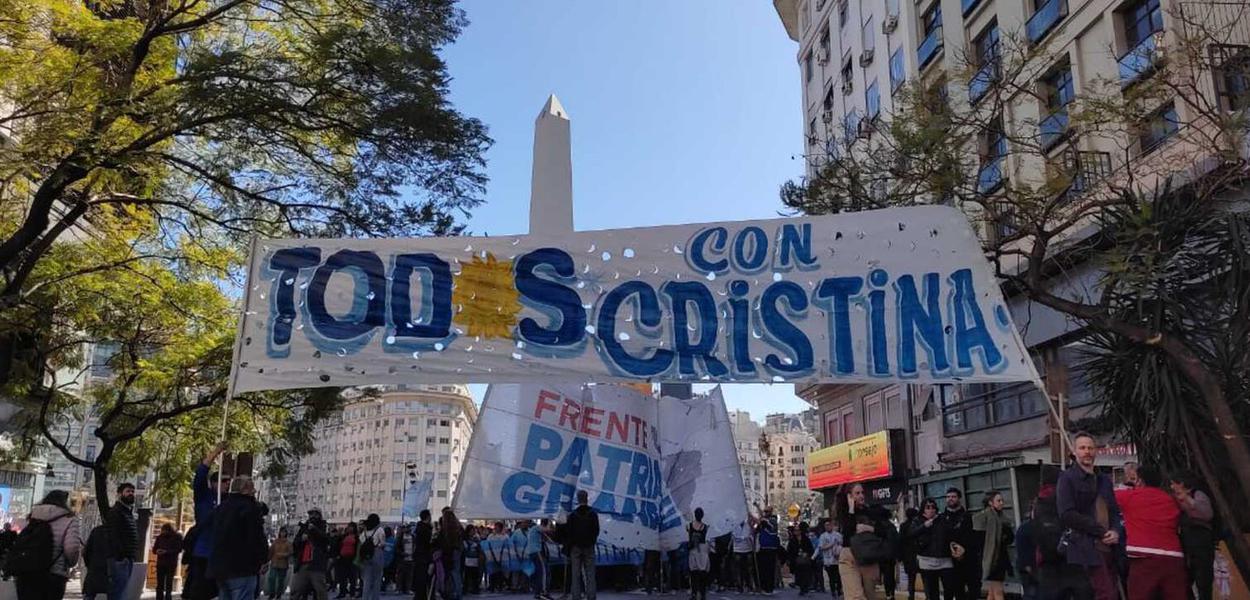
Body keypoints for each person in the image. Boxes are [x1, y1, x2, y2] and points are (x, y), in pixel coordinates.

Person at [1057, 432, 1121, 600]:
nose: (1087, 452)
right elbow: (1067, 514)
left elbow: (1113, 510)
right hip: (1085, 547)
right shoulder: (1067, 478)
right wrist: (1100, 532)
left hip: (1109, 547)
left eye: (1090, 448)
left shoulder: (1104, 480)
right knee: (1104, 593)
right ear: (1075, 451)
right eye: (1082, 448)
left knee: (1112, 591)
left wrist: (1115, 530)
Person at [1114, 465, 1187, 600]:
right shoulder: (1170, 500)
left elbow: (1105, 495)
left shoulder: (1130, 496)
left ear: (1140, 481)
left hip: (1143, 558)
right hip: (1174, 558)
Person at [11, 490, 82, 600]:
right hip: (54, 574)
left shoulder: (32, 516)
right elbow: (71, 548)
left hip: (27, 572)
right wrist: (70, 563)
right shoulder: (70, 520)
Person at [210, 476, 269, 600]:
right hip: (243, 567)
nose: (254, 492)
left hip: (221, 567)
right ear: (245, 490)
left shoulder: (222, 508)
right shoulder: (250, 509)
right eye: (252, 488)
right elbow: (256, 537)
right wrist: (263, 559)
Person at [836, 483, 890, 600]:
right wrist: (851, 509)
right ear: (849, 496)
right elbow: (848, 532)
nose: (861, 496)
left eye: (862, 493)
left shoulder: (870, 511)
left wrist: (869, 528)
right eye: (857, 493)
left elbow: (884, 532)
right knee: (855, 596)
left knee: (871, 595)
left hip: (867, 556)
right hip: (849, 557)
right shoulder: (844, 513)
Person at [192, 444, 229, 600]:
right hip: (203, 553)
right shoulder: (204, 496)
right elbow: (201, 474)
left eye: (229, 481)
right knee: (201, 591)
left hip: (221, 554)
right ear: (214, 483)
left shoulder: (229, 502)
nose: (227, 484)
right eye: (224, 480)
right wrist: (214, 454)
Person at [1170, 471, 1214, 600]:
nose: (1172, 486)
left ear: (1181, 483)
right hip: (1185, 540)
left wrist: (1187, 499)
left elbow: (1207, 514)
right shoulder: (1173, 498)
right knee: (1184, 579)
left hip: (1201, 541)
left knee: (1203, 579)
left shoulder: (1198, 494)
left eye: (1173, 483)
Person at [905, 498, 957, 600]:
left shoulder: (942, 519)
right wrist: (924, 526)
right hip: (927, 559)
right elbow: (911, 534)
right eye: (928, 507)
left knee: (949, 588)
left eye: (933, 507)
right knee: (932, 591)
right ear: (923, 509)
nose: (931, 510)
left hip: (944, 558)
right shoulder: (918, 520)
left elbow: (950, 533)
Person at [973, 492, 1014, 600]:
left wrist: (1004, 536)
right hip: (991, 558)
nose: (1002, 503)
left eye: (1002, 500)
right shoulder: (983, 518)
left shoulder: (1003, 518)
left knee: (992, 592)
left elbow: (1010, 539)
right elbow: (979, 541)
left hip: (1000, 558)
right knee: (998, 591)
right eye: (998, 501)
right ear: (991, 503)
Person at [939, 488, 978, 600]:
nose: (950, 499)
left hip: (969, 560)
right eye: (948, 497)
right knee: (956, 591)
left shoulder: (967, 517)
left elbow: (973, 537)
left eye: (953, 496)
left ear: (959, 498)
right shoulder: (942, 518)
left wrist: (963, 550)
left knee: (973, 591)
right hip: (950, 562)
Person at [106, 482, 139, 600]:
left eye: (132, 491)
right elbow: (113, 536)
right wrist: (121, 556)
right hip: (120, 560)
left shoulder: (127, 512)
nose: (131, 494)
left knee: (122, 591)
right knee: (118, 593)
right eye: (128, 491)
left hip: (127, 558)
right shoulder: (117, 512)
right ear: (120, 494)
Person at [290, 509, 331, 600]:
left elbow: (326, 540)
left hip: (316, 564)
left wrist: (314, 529)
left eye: (315, 514)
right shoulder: (304, 527)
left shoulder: (323, 526)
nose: (312, 516)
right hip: (303, 564)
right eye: (310, 514)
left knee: (320, 591)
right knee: (296, 590)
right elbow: (295, 543)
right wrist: (301, 539)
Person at [566, 490, 599, 600]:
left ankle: (576, 596)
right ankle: (591, 596)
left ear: (578, 499)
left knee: (575, 574)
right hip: (589, 547)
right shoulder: (593, 513)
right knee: (590, 573)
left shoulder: (573, 515)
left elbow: (569, 532)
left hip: (575, 547)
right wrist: (591, 541)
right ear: (587, 498)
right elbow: (596, 530)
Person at [358, 514, 387, 600]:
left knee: (367, 579)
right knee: (377, 579)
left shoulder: (365, 531)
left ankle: (365, 597)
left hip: (367, 555)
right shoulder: (380, 530)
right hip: (377, 553)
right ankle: (375, 598)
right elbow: (383, 543)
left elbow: (361, 539)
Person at [154, 524, 185, 600]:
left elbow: (178, 549)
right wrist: (157, 551)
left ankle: (168, 597)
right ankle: (159, 598)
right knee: (160, 583)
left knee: (168, 582)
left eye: (164, 530)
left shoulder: (177, 537)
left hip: (170, 563)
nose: (163, 531)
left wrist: (166, 552)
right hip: (161, 563)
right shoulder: (160, 537)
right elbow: (154, 549)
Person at [439, 509, 464, 600]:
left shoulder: (447, 529)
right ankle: (458, 592)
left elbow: (446, 542)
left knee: (452, 572)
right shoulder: (458, 526)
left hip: (450, 552)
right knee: (456, 572)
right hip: (458, 550)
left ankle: (454, 592)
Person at [524, 520, 550, 600]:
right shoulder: (536, 528)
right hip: (536, 551)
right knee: (543, 571)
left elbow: (546, 538)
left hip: (531, 552)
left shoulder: (532, 531)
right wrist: (551, 523)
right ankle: (543, 592)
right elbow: (547, 530)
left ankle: (537, 592)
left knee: (538, 572)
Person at [688, 508, 711, 600]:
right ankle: (695, 593)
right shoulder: (690, 526)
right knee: (694, 573)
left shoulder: (705, 527)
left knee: (701, 573)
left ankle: (701, 592)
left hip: (701, 550)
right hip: (695, 550)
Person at [817, 519, 843, 600]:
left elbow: (842, 544)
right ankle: (833, 591)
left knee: (838, 576)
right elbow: (821, 547)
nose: (827, 527)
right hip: (828, 560)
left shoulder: (838, 535)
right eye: (826, 525)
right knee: (831, 577)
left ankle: (839, 590)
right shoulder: (823, 536)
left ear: (832, 525)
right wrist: (830, 545)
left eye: (829, 525)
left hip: (837, 559)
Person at [757, 509, 780, 594]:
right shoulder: (763, 523)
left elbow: (768, 526)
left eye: (767, 512)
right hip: (763, 548)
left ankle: (769, 588)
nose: (765, 513)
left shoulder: (772, 521)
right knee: (762, 569)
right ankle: (763, 586)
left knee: (769, 569)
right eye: (765, 512)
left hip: (771, 548)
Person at [266, 527, 294, 600]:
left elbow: (291, 552)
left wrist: (284, 555)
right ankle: (271, 594)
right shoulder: (276, 541)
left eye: (284, 532)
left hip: (283, 564)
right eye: (282, 532)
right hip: (274, 563)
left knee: (281, 580)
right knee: (271, 578)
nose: (283, 533)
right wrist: (266, 561)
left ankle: (279, 594)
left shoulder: (288, 543)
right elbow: (271, 551)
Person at [899, 509, 920, 600]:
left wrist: (900, 557)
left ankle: (911, 595)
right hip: (919, 554)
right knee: (925, 576)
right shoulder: (918, 525)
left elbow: (900, 541)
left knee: (911, 578)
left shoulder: (903, 526)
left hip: (907, 556)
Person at [789, 522, 816, 596]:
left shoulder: (806, 539)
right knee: (799, 575)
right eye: (795, 530)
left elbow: (811, 549)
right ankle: (801, 588)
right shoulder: (792, 540)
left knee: (806, 575)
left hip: (805, 561)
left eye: (797, 530)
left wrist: (806, 553)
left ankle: (805, 588)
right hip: (797, 561)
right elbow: (790, 550)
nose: (796, 532)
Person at [412, 510, 433, 600]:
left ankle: (419, 595)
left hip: (418, 556)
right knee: (424, 577)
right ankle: (423, 596)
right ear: (428, 517)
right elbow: (428, 543)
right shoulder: (426, 529)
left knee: (419, 577)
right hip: (424, 556)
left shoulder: (418, 528)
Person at [731, 517, 757, 593]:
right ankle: (740, 586)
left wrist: (748, 537)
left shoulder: (748, 525)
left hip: (747, 549)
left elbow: (751, 535)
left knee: (749, 569)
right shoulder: (735, 526)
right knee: (738, 569)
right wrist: (744, 537)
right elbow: (734, 537)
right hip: (738, 550)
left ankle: (749, 586)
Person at [335, 523, 359, 599]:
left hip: (352, 559)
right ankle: (342, 592)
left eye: (351, 527)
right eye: (349, 527)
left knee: (352, 577)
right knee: (342, 577)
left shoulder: (356, 537)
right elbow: (338, 545)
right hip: (343, 558)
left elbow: (357, 548)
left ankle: (352, 593)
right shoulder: (344, 536)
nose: (349, 529)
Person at [395, 525, 415, 595]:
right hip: (402, 559)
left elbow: (415, 546)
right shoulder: (400, 537)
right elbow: (397, 548)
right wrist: (402, 553)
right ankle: (398, 588)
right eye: (406, 528)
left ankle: (408, 589)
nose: (408, 529)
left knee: (409, 575)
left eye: (409, 528)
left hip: (411, 559)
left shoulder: (413, 537)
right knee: (400, 574)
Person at [463, 525, 483, 595]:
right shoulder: (465, 540)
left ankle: (475, 588)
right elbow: (465, 549)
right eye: (471, 531)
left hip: (475, 560)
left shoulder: (476, 539)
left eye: (473, 531)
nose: (472, 532)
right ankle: (466, 589)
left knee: (475, 575)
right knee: (467, 575)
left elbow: (479, 548)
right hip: (468, 559)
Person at [381, 527, 396, 594]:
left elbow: (395, 550)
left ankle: (384, 587)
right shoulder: (382, 539)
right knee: (381, 575)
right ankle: (382, 586)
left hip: (390, 560)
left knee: (387, 575)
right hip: (382, 560)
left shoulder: (393, 540)